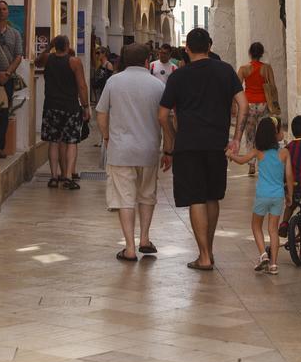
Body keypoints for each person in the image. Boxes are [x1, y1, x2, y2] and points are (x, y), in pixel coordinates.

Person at [158, 27, 248, 271]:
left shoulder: (178, 77)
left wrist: (173, 139)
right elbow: (243, 104)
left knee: (196, 197)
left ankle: (204, 255)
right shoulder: (226, 71)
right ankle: (209, 249)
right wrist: (237, 138)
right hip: (217, 144)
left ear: (186, 49)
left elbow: (163, 114)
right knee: (212, 195)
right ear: (210, 46)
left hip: (188, 145)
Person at [96, 43, 166, 261]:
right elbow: (165, 117)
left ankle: (129, 248)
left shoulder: (113, 82)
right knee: (147, 194)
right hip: (149, 149)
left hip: (121, 149)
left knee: (125, 198)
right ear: (147, 61)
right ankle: (144, 239)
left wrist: (107, 137)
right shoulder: (157, 85)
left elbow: (101, 113)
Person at [228, 116, 292, 275]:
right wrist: (290, 194)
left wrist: (230, 154)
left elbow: (242, 160)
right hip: (278, 196)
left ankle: (263, 254)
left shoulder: (258, 152)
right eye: (280, 130)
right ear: (275, 134)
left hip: (262, 195)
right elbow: (289, 176)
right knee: (273, 230)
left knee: (256, 226)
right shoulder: (284, 153)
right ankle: (274, 265)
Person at [36, 35, 90, 190]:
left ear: (55, 45)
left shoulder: (48, 58)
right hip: (70, 107)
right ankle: (67, 176)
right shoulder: (74, 62)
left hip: (51, 106)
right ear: (67, 45)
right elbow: (82, 86)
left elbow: (37, 61)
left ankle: (53, 177)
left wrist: (48, 47)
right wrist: (85, 106)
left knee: (53, 142)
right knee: (71, 141)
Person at [236, 43, 280, 175]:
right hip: (263, 104)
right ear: (261, 53)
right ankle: (264, 162)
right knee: (264, 133)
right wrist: (275, 105)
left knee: (250, 135)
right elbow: (273, 87)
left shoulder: (243, 69)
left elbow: (237, 87)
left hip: (249, 105)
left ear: (250, 53)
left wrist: (237, 105)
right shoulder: (267, 68)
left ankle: (251, 164)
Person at [0, 0, 24, 159]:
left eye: (4, 9)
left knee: (3, 114)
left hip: (7, 80)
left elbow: (18, 56)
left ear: (8, 12)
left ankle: (0, 147)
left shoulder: (15, 33)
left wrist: (7, 73)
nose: (1, 12)